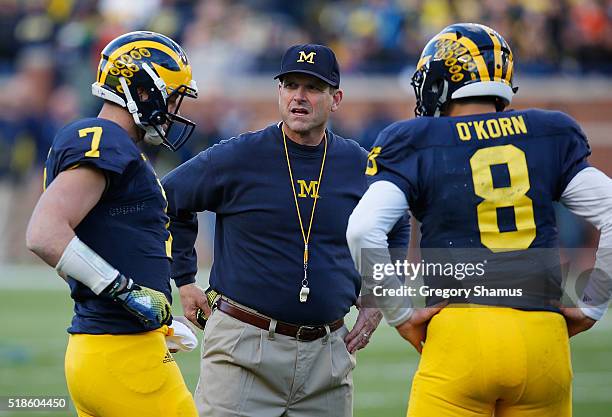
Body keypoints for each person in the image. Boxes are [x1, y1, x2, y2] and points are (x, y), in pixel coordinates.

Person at [347, 23, 612, 417]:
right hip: (544, 340)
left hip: (461, 336)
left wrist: (399, 312)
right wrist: (593, 304)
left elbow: (363, 228)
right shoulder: (548, 132)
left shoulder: (417, 139)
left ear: (439, 83)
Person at [162, 43, 409, 417]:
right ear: (278, 92)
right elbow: (168, 199)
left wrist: (377, 295)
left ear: (336, 98)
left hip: (328, 356)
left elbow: (397, 223)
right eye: (290, 85)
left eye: (313, 87)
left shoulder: (359, 164)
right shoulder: (238, 155)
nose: (299, 96)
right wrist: (183, 278)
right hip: (242, 352)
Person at [25, 31, 200, 417]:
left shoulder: (112, 145)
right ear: (142, 88)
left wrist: (158, 323)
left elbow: (93, 247)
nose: (173, 108)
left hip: (104, 348)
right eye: (171, 95)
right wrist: (127, 294)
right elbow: (44, 233)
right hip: (122, 355)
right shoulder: (105, 139)